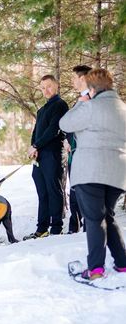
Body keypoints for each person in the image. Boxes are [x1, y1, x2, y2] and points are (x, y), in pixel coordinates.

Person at [59, 68, 126, 280]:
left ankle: (96, 269)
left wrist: (82, 101)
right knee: (107, 215)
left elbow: (65, 123)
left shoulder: (91, 106)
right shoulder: (123, 108)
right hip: (117, 172)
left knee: (95, 219)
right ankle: (122, 262)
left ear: (92, 87)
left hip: (91, 170)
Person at [24, 75, 69, 240]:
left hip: (52, 155)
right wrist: (32, 147)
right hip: (40, 156)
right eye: (42, 88)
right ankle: (41, 229)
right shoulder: (42, 109)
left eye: (48, 86)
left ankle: (56, 228)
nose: (46, 90)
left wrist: (37, 146)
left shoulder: (60, 104)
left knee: (54, 191)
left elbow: (54, 130)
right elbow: (36, 132)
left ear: (56, 85)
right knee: (42, 193)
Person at [65, 65, 92, 234]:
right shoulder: (80, 99)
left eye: (75, 78)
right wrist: (67, 141)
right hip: (73, 154)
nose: (73, 81)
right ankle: (74, 228)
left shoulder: (91, 99)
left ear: (83, 79)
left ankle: (88, 229)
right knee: (74, 192)